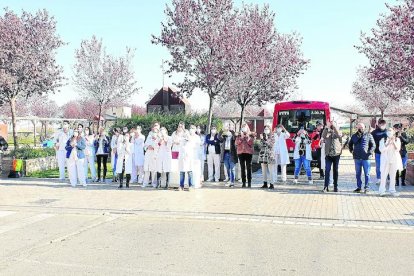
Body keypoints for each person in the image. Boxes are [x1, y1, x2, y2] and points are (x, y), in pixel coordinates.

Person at [348, 123, 375, 193]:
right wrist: (351, 150)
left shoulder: (368, 135)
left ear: (364, 127)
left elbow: (373, 145)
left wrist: (369, 152)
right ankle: (359, 187)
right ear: (357, 127)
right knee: (358, 174)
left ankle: (367, 187)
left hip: (366, 158)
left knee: (367, 174)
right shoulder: (354, 136)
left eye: (362, 127)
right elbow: (350, 144)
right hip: (357, 158)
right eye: (359, 127)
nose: (360, 128)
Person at [379, 128, 403, 196]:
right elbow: (381, 149)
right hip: (385, 160)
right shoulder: (383, 139)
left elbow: (398, 149)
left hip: (394, 160)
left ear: (393, 132)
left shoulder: (397, 139)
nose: (389, 132)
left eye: (391, 131)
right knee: (383, 175)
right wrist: (388, 143)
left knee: (393, 176)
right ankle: (382, 190)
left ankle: (392, 190)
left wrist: (393, 142)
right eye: (388, 131)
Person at [321, 120, 342, 192]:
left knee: (335, 170)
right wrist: (326, 127)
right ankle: (325, 186)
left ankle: (335, 187)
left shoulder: (338, 130)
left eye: (332, 124)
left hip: (336, 154)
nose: (331, 125)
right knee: (327, 170)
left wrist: (334, 126)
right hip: (328, 154)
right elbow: (323, 136)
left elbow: (339, 135)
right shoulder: (327, 130)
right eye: (331, 124)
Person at [235, 123, 255, 188]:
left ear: (247, 128)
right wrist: (241, 137)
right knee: (242, 168)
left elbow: (251, 143)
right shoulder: (239, 135)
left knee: (249, 168)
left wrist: (247, 136)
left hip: (248, 153)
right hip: (241, 153)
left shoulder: (251, 135)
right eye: (243, 127)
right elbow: (236, 143)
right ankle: (243, 182)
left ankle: (249, 182)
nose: (244, 129)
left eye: (245, 127)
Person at [257, 125, 275, 189]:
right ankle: (265, 183)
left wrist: (265, 140)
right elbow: (259, 146)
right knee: (263, 170)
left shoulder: (272, 136)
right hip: (263, 155)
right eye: (265, 129)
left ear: (270, 130)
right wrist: (262, 139)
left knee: (271, 170)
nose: (266, 130)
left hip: (270, 155)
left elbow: (270, 145)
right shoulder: (262, 136)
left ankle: (272, 184)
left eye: (267, 129)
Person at [143, 122, 160, 188]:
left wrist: (154, 147)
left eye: (156, 126)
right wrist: (147, 147)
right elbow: (145, 144)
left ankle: (154, 183)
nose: (155, 127)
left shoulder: (160, 135)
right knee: (146, 168)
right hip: (148, 153)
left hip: (155, 154)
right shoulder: (150, 134)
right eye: (154, 126)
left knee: (154, 169)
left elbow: (160, 145)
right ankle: (145, 183)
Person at [371, 119, 388, 184]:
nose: (382, 125)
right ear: (378, 124)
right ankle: (379, 178)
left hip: (386, 152)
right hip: (377, 152)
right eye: (381, 124)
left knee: (386, 165)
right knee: (378, 165)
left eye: (383, 124)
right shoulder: (374, 132)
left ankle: (386, 178)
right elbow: (371, 141)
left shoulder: (387, 132)